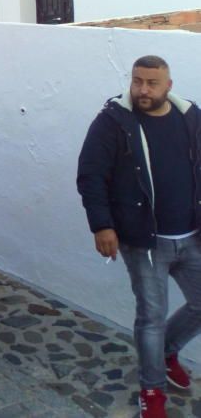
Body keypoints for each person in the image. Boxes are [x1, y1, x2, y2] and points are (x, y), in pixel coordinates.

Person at [77, 55, 201, 418]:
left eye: (151, 83)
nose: (143, 90)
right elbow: (91, 176)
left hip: (192, 236)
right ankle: (152, 389)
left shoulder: (191, 118)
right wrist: (102, 225)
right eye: (137, 81)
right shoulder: (113, 122)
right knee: (152, 316)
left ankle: (166, 351)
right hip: (145, 240)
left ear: (168, 86)